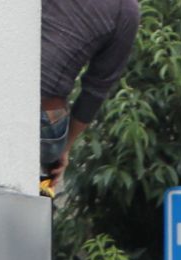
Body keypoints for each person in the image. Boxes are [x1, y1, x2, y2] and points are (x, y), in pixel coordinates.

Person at [41, 0, 141, 181]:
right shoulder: (125, 10)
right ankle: (45, 188)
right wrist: (65, 148)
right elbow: (94, 92)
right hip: (44, 113)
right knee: (49, 169)